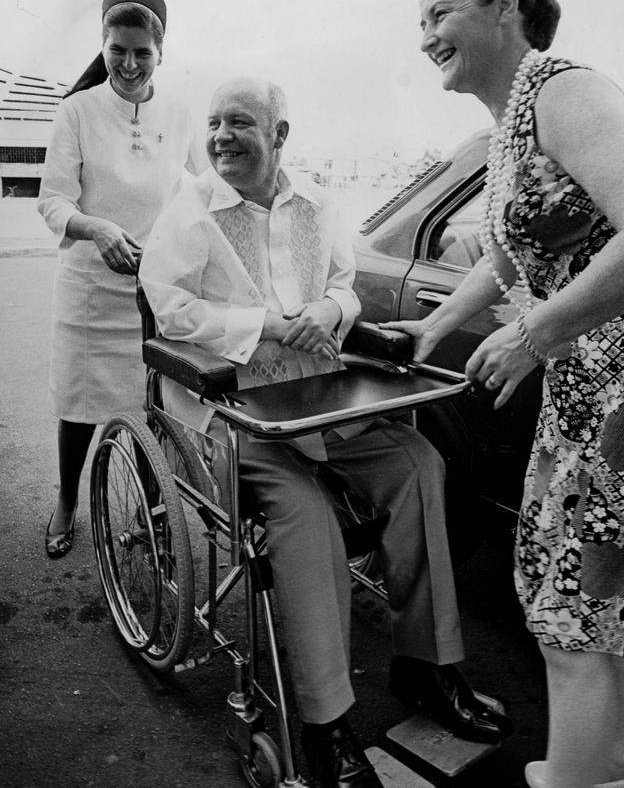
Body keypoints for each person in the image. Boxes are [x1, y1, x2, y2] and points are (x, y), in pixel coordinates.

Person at [139, 76, 512, 787]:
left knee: (418, 462)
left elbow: (345, 282)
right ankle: (326, 722)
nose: (221, 136)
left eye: (240, 123)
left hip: (321, 398)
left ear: (280, 134)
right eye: (216, 122)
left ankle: (428, 665)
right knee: (305, 514)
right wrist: (267, 327)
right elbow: (170, 308)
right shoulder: (191, 209)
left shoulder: (316, 202)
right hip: (233, 411)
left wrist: (332, 313)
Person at [380, 0, 624, 788]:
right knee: (588, 619)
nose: (425, 36)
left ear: (505, 6)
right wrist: (435, 326)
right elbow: (508, 254)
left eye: (440, 12)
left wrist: (537, 329)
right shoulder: (510, 120)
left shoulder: (564, 91)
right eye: (418, 20)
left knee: (571, 621)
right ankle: (614, 770)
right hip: (588, 389)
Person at [38, 0, 200, 560]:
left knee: (157, 409)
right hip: (89, 292)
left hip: (155, 293)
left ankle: (152, 514)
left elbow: (210, 191)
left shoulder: (180, 113)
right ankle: (66, 501)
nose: (128, 65)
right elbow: (53, 201)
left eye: (142, 53)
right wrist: (97, 228)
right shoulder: (76, 111)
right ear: (103, 48)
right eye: (117, 51)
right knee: (79, 407)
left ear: (161, 52)